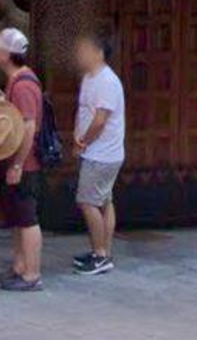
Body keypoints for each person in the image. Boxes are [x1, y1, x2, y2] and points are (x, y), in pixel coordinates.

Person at [0, 28, 45, 292]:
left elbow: (29, 127)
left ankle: (32, 274)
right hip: (15, 161)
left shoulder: (23, 85)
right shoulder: (15, 81)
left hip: (25, 163)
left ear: (8, 54)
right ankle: (20, 267)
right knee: (18, 217)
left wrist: (18, 164)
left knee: (27, 218)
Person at [72, 31, 126, 276]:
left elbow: (100, 120)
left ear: (99, 53)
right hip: (97, 151)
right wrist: (77, 135)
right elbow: (84, 111)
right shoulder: (89, 77)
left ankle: (101, 255)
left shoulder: (107, 81)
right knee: (104, 201)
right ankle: (103, 251)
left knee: (87, 202)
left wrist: (83, 142)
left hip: (102, 154)